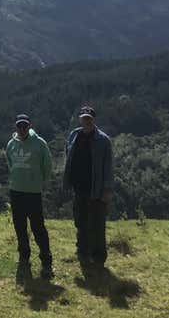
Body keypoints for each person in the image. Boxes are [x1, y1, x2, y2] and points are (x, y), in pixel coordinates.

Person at [63, 106, 114, 268]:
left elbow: (108, 166)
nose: (86, 121)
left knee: (97, 223)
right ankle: (82, 250)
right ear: (80, 119)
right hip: (79, 187)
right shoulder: (74, 135)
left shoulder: (103, 140)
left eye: (89, 118)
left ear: (93, 120)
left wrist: (107, 188)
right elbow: (68, 155)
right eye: (84, 118)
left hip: (97, 188)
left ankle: (99, 257)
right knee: (80, 220)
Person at [6, 114, 54, 279]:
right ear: (16, 127)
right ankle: (24, 256)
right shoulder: (11, 144)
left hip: (33, 192)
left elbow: (47, 165)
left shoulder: (40, 143)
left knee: (38, 227)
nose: (22, 129)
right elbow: (9, 163)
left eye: (24, 126)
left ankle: (46, 261)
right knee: (19, 226)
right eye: (19, 126)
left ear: (29, 126)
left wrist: (41, 182)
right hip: (16, 191)